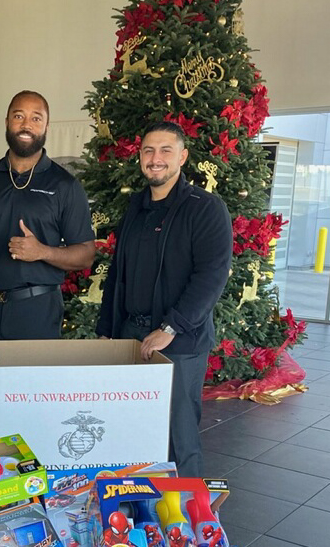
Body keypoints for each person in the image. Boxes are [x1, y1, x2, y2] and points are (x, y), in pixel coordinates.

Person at [96, 121, 232, 477]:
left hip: (180, 343)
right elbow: (117, 274)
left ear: (182, 157)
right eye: (148, 151)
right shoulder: (135, 208)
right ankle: (138, 512)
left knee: (178, 437)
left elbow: (211, 277)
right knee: (130, 429)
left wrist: (171, 327)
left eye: (165, 150)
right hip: (130, 336)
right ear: (140, 157)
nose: (156, 159)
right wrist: (107, 331)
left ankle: (189, 522)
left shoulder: (205, 208)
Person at [0, 90, 96, 442]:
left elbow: (85, 254)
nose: (26, 124)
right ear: (7, 121)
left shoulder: (65, 186)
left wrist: (42, 252)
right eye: (19, 115)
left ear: (46, 126)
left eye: (36, 117)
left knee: (33, 405)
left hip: (36, 311)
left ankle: (33, 491)